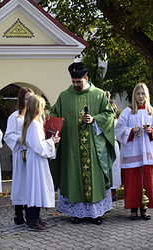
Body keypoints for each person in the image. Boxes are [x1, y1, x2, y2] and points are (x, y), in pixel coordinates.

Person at [50, 62, 115, 225]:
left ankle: (95, 213)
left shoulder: (99, 95)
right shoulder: (64, 96)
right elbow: (54, 116)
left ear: (86, 79)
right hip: (71, 148)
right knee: (74, 178)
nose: (76, 85)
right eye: (74, 82)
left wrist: (95, 119)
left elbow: (108, 115)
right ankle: (76, 213)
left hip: (94, 148)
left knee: (94, 178)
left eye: (79, 82)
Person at [115, 83, 153, 220]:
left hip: (146, 152)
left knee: (146, 181)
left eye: (143, 93)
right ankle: (133, 210)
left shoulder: (151, 111)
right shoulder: (127, 111)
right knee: (133, 182)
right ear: (134, 96)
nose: (140, 96)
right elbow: (118, 129)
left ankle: (144, 209)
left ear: (146, 95)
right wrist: (131, 131)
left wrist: (151, 131)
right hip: (132, 152)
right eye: (138, 94)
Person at [20, 95, 60, 231]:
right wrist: (52, 141)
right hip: (36, 160)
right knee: (37, 188)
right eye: (42, 106)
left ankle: (34, 218)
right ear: (37, 108)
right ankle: (33, 220)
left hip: (35, 160)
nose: (44, 109)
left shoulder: (32, 122)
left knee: (35, 188)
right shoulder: (35, 124)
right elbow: (39, 147)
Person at [4, 87, 34, 225]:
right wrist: (22, 137)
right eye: (27, 99)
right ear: (21, 100)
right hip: (21, 154)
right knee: (20, 184)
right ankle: (18, 214)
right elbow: (8, 135)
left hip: (33, 154)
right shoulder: (15, 117)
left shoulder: (36, 116)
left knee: (31, 184)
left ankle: (30, 212)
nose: (29, 102)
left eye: (31, 99)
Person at [109, 100, 121, 201]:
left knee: (114, 169)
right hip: (104, 146)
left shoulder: (117, 122)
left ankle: (113, 194)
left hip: (114, 144)